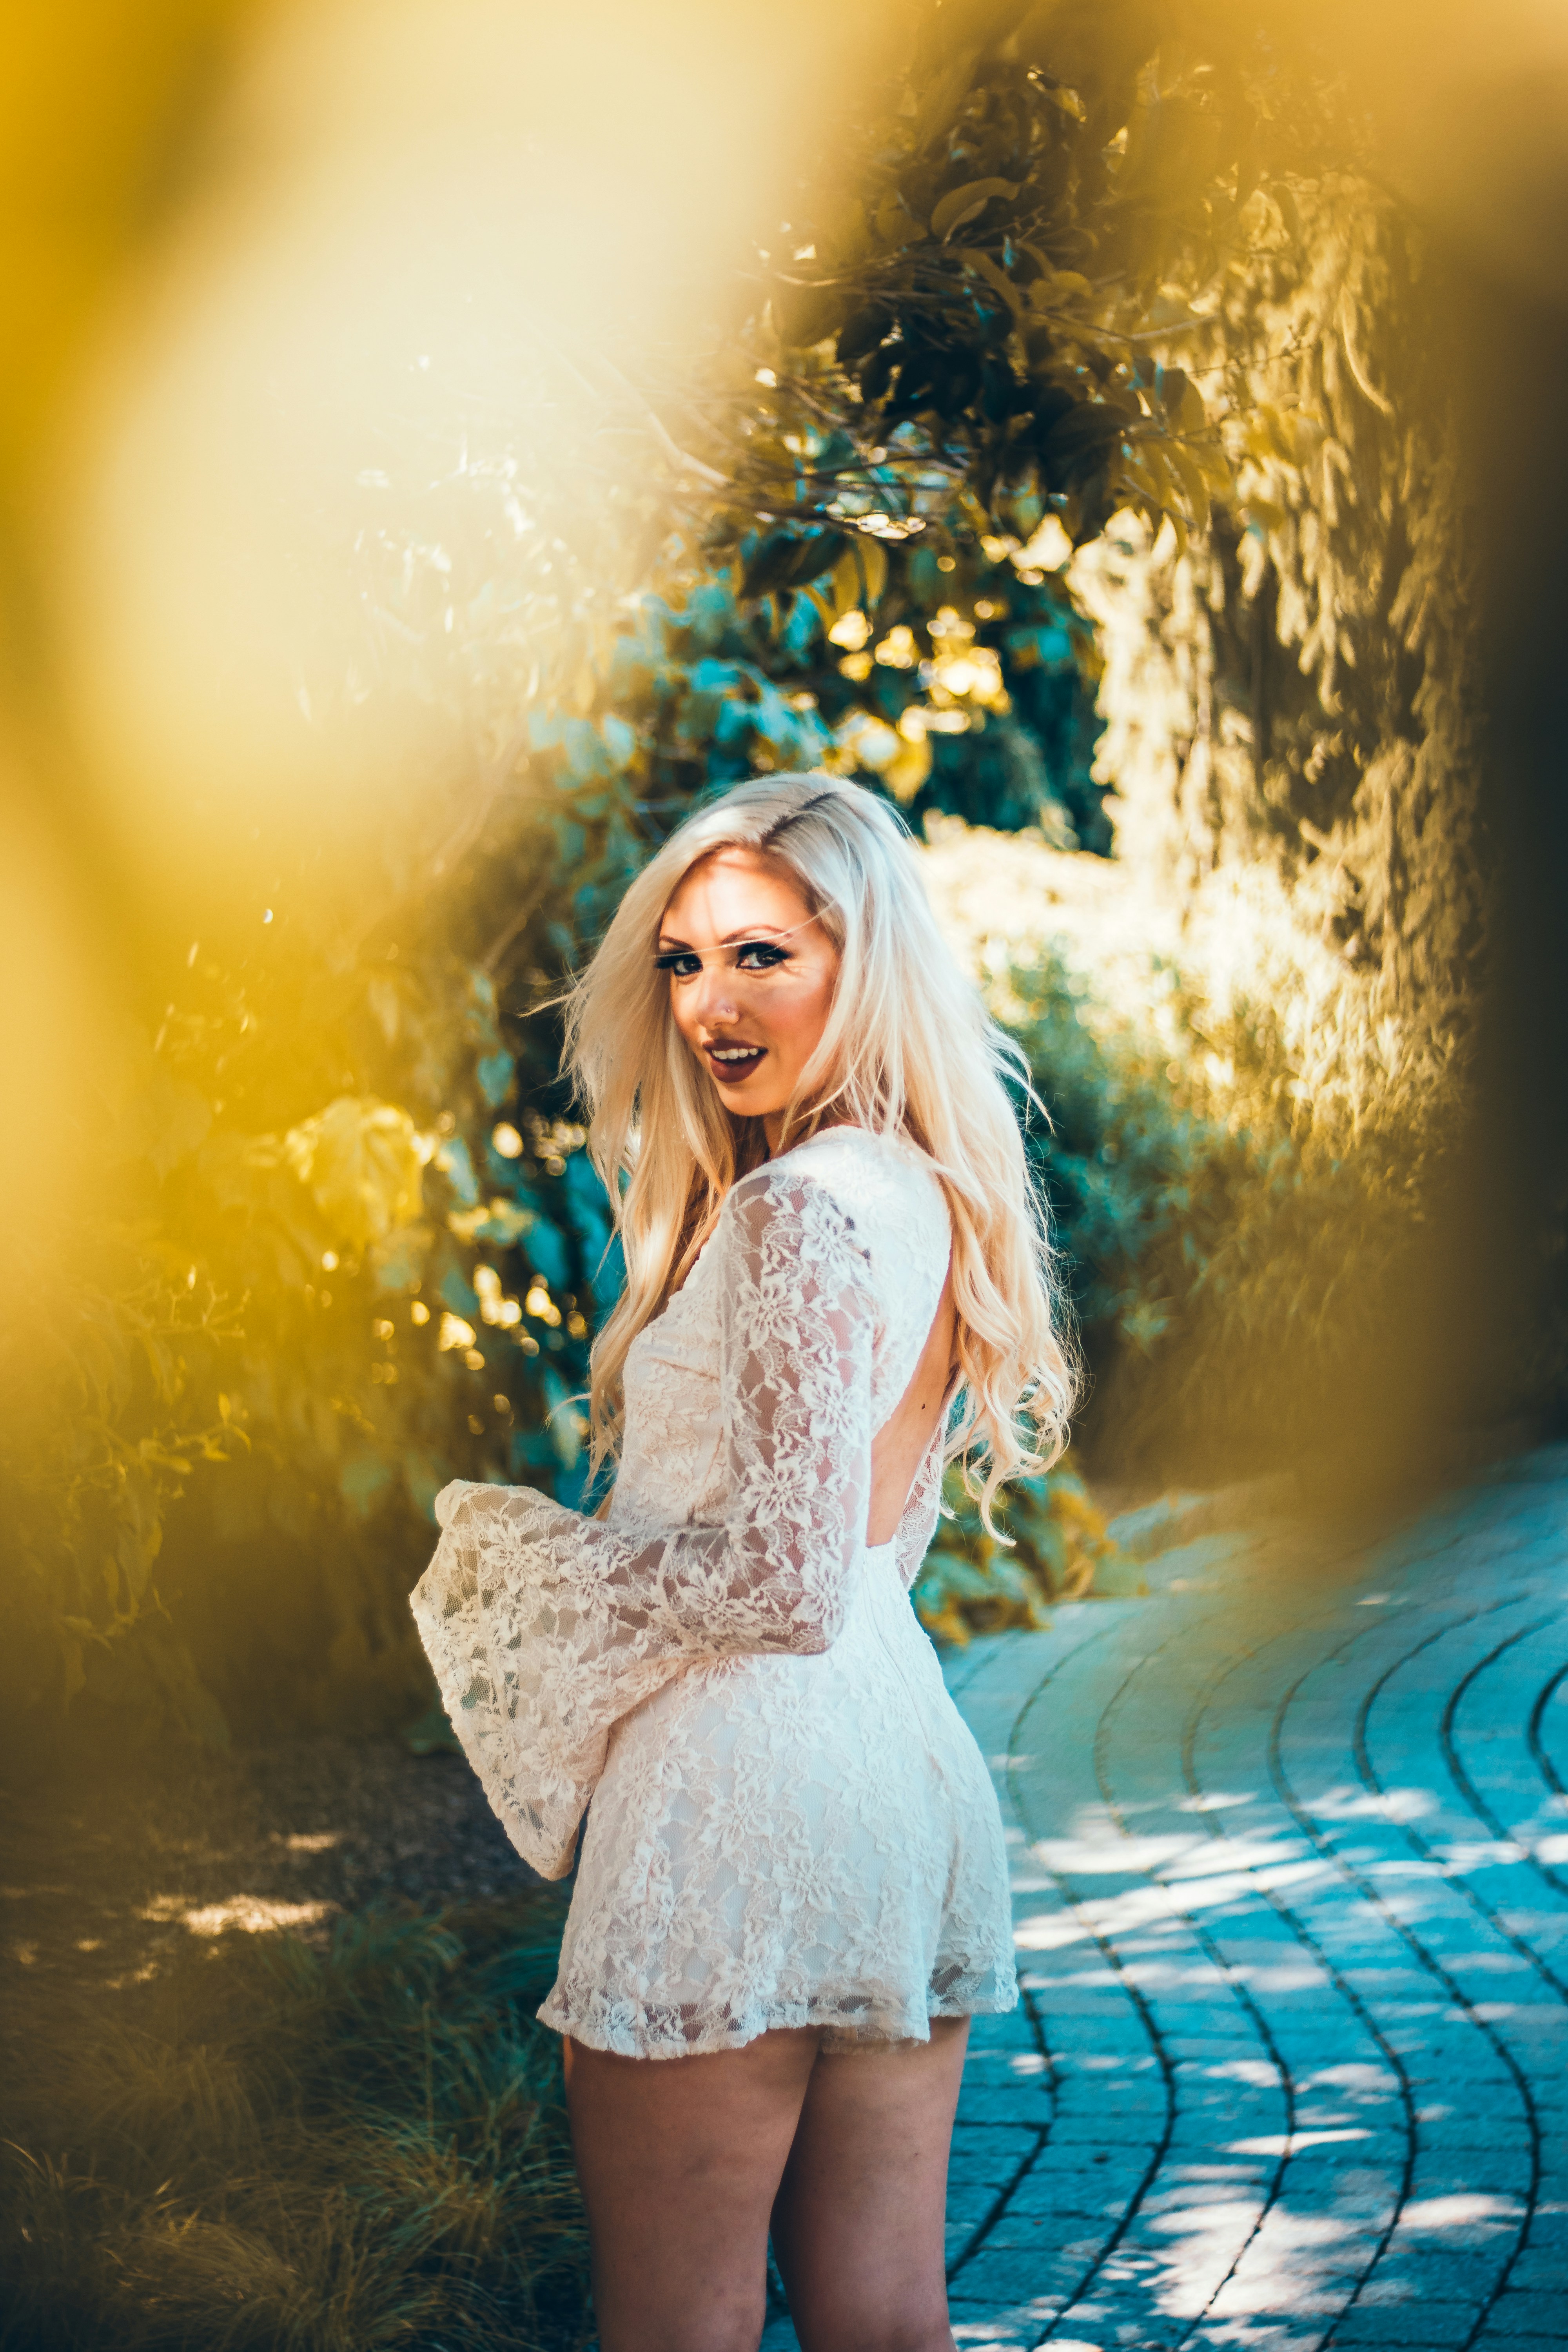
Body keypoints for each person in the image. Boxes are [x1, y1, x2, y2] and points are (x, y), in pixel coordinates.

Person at [411, 772, 1075, 2352]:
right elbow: (860, 1556)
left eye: (762, 955)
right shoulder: (925, 1199)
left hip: (732, 1804)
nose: (712, 1002)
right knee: (888, 2324)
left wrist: (524, 1577)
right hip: (892, 1771)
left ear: (866, 963)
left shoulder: (792, 1213)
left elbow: (783, 1579)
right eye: (685, 961)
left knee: (677, 2332)